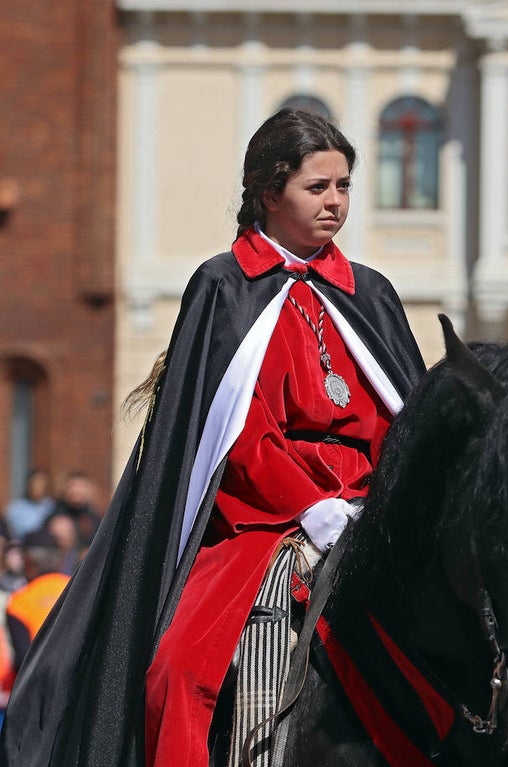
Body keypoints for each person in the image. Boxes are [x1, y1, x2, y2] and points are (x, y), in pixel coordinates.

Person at [0, 108, 426, 766]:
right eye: (319, 188)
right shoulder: (225, 287)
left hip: (374, 509)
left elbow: (408, 417)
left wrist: (384, 500)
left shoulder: (371, 292)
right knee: (178, 669)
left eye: (344, 186)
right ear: (270, 192)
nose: (335, 202)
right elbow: (235, 432)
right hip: (261, 516)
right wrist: (309, 506)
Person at [4, 530, 69, 675]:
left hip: (41, 686)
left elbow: (23, 661)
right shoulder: (81, 589)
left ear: (28, 561)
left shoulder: (19, 602)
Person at [50, 471, 102, 547]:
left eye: (81, 486)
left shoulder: (94, 515)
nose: (76, 490)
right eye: (73, 486)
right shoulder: (58, 513)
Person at [4, 469, 54, 541]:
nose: (38, 487)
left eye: (42, 483)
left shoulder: (51, 506)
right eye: (35, 483)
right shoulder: (16, 507)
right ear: (29, 485)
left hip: (47, 547)